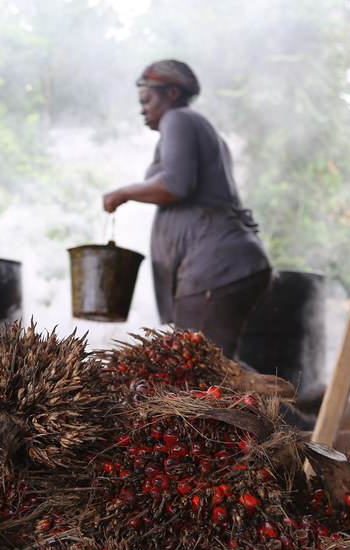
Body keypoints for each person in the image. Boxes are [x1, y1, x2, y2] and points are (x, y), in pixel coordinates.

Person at [103, 59, 273, 359]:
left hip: (214, 268)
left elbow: (175, 184)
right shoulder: (197, 129)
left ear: (171, 93)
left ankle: (282, 408)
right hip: (223, 267)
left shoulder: (178, 119)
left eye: (147, 99)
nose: (142, 108)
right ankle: (281, 406)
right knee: (210, 370)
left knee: (199, 369)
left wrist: (122, 193)